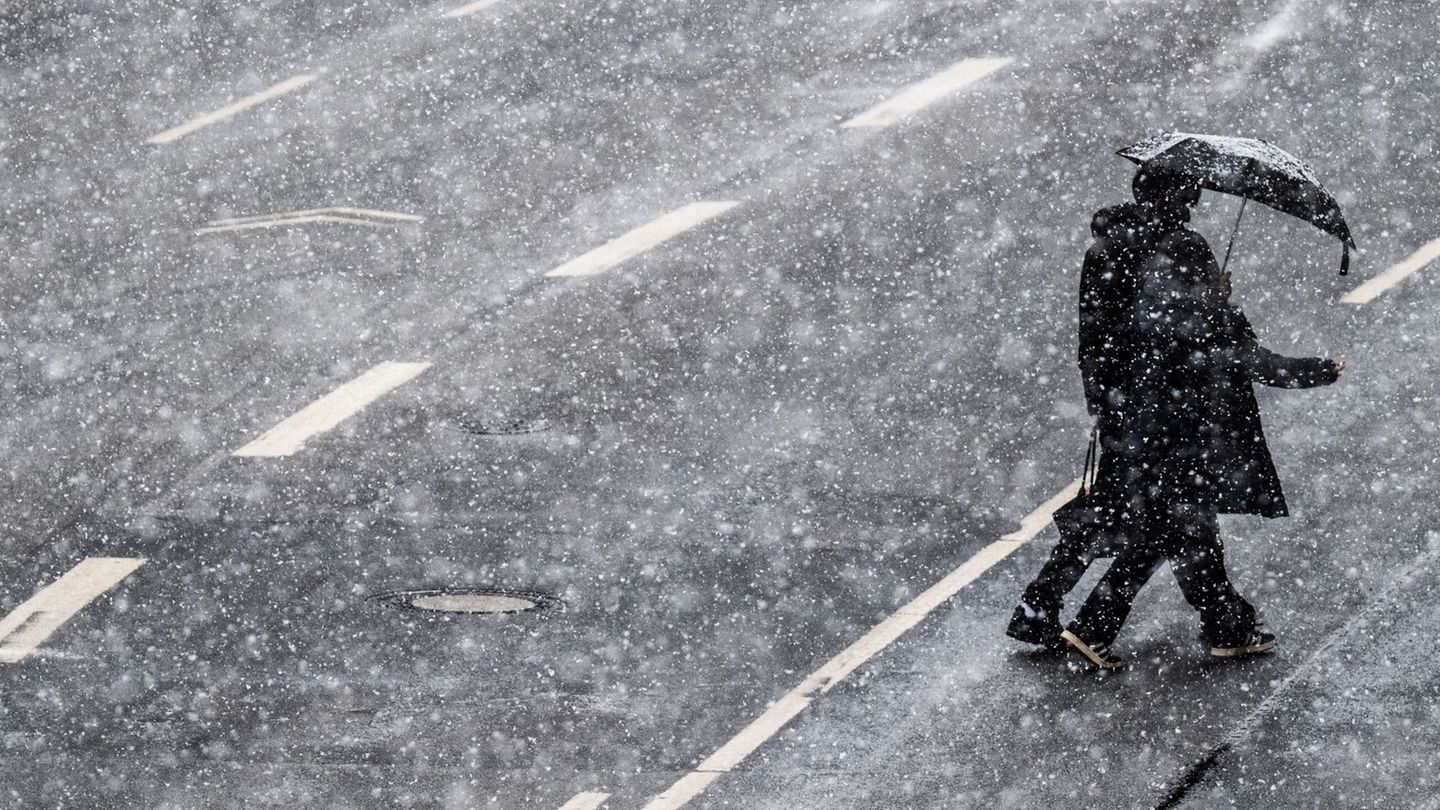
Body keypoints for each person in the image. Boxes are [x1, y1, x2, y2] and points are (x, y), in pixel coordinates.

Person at [1059, 228, 1344, 669]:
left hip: (1151, 446)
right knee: (1177, 540)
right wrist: (1319, 370)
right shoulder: (1211, 320)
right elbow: (1258, 364)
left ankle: (1221, 627)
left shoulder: (1148, 311)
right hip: (1192, 451)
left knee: (1179, 539)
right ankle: (1109, 628)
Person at [1006, 167, 1201, 648]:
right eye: (1186, 197)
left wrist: (1102, 397)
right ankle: (1088, 619)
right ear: (1169, 199)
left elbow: (1093, 334)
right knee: (1166, 518)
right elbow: (1176, 330)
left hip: (1121, 402)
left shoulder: (1105, 249)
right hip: (1159, 405)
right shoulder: (1175, 249)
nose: (1192, 207)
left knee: (1114, 509)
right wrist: (1212, 297)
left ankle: (1040, 605)